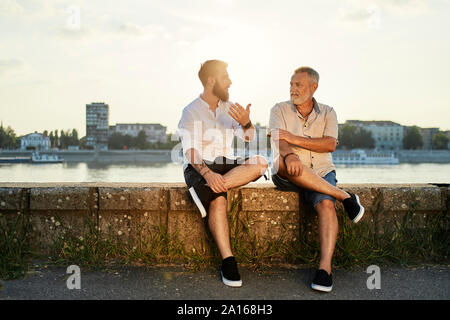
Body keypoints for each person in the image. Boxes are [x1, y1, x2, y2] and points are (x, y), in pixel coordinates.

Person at [269, 66, 364, 292]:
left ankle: (325, 270)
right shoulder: (279, 109)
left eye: (298, 84)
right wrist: (290, 153)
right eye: (291, 84)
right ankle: (346, 197)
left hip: (321, 171)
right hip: (289, 169)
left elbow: (329, 144)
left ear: (314, 87)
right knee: (280, 163)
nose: (292, 88)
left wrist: (294, 139)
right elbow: (277, 140)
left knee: (326, 205)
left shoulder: (329, 112)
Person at [177, 59, 268, 287]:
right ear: (211, 80)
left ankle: (205, 192)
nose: (230, 82)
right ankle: (228, 261)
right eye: (225, 77)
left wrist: (247, 123)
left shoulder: (230, 108)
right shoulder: (190, 111)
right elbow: (189, 150)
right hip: (200, 166)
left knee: (260, 163)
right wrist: (208, 174)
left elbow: (248, 138)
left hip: (226, 163)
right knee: (219, 201)